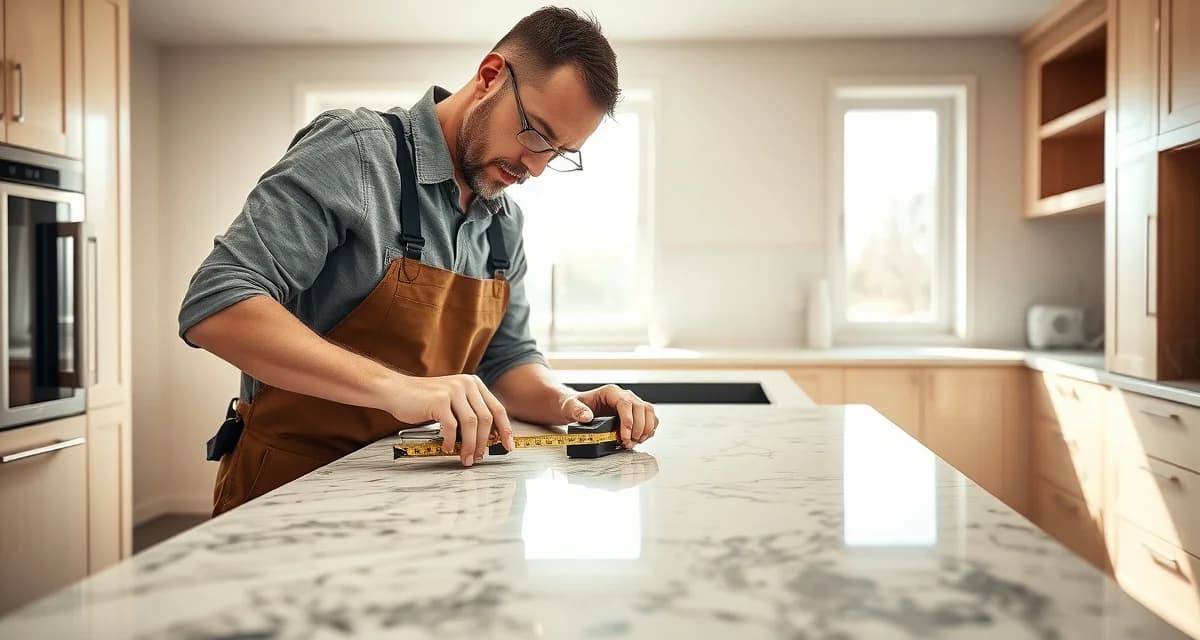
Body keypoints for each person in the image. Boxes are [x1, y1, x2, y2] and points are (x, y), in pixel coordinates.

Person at [179, 7, 659, 516]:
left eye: (559, 152)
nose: (535, 168)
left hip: (416, 494)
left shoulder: (504, 224)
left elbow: (506, 362)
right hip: (289, 492)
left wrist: (571, 403)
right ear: (491, 75)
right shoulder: (358, 153)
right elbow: (217, 305)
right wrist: (399, 390)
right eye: (536, 134)